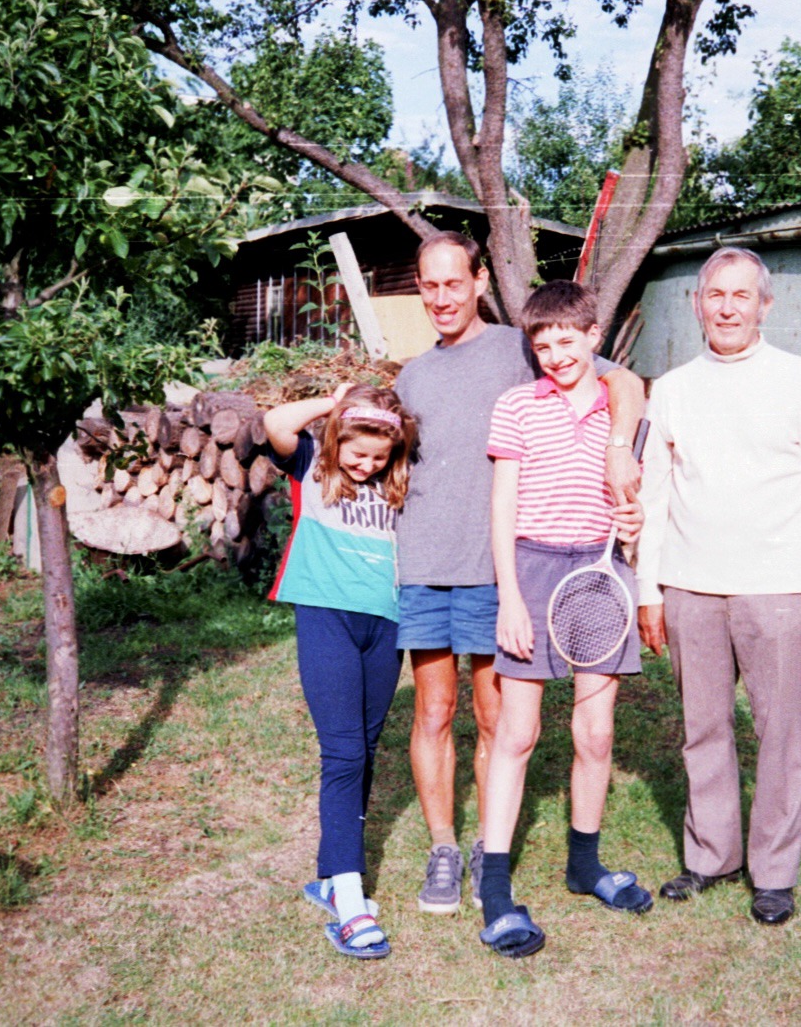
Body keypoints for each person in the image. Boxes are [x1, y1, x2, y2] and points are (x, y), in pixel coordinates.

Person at [394, 233, 643, 915]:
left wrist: (624, 467)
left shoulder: (517, 346)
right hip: (467, 566)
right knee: (462, 716)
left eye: (453, 282)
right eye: (428, 284)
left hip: (557, 571)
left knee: (549, 725)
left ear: (477, 280)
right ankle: (461, 856)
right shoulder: (418, 377)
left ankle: (552, 859)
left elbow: (623, 381)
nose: (441, 296)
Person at [635, 247, 801, 926]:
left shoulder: (799, 382)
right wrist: (649, 589)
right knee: (702, 728)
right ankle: (709, 855)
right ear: (696, 303)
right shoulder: (670, 388)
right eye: (714, 295)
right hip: (690, 587)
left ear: (764, 305)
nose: (726, 307)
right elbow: (654, 498)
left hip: (780, 587)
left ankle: (775, 871)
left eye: (741, 295)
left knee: (779, 731)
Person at [475, 280, 651, 958]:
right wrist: (510, 596)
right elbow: (502, 507)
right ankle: (495, 887)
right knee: (517, 732)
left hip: (601, 573)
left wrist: (631, 522)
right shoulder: (517, 405)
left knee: (596, 731)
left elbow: (634, 492)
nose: (554, 354)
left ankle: (585, 862)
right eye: (541, 343)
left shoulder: (619, 404)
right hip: (534, 569)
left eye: (566, 340)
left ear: (592, 336)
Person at [262, 383, 420, 960]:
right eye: (359, 451)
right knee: (344, 753)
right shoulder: (312, 463)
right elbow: (274, 422)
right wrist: (335, 405)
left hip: (387, 625)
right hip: (327, 615)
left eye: (379, 456)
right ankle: (351, 902)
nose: (368, 463)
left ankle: (332, 874)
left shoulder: (396, 482)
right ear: (337, 437)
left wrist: (387, 432)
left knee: (367, 748)